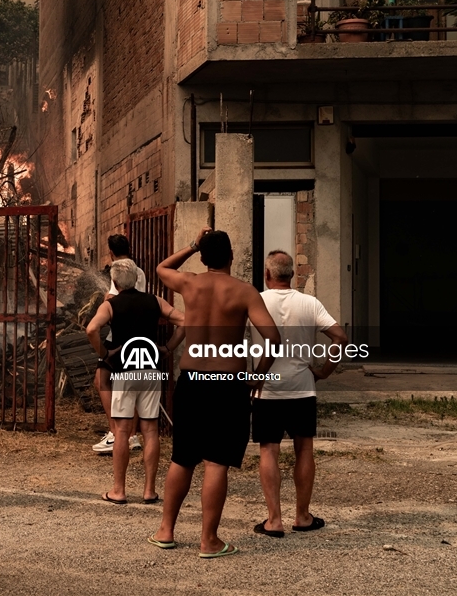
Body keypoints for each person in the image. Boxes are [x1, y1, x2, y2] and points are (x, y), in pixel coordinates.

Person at [148, 227, 281, 558]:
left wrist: (192, 245)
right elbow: (274, 338)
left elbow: (162, 269)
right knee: (217, 461)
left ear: (203, 258)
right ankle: (208, 541)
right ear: (232, 257)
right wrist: (258, 376)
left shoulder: (189, 283)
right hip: (226, 382)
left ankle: (166, 530)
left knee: (183, 458)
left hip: (192, 379)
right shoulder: (245, 291)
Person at [250, 250, 348, 538]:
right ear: (292, 274)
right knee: (304, 448)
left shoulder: (255, 301)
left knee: (269, 449)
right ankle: (303, 516)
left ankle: (274, 520)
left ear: (267, 275)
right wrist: (325, 371)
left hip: (266, 388)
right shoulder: (310, 303)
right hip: (302, 386)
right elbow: (340, 338)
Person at [85, 259, 185, 504]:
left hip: (125, 372)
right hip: (150, 371)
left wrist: (104, 354)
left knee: (121, 431)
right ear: (137, 279)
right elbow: (184, 321)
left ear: (116, 282)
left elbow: (91, 330)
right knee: (150, 430)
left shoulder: (111, 305)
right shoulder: (154, 301)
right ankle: (149, 490)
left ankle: (118, 490)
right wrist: (168, 348)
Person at [92, 234, 148, 454]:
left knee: (101, 380)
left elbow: (114, 300)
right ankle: (131, 435)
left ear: (111, 252)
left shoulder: (118, 270)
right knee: (130, 385)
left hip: (118, 336)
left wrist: (105, 299)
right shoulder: (139, 271)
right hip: (139, 335)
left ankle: (116, 432)